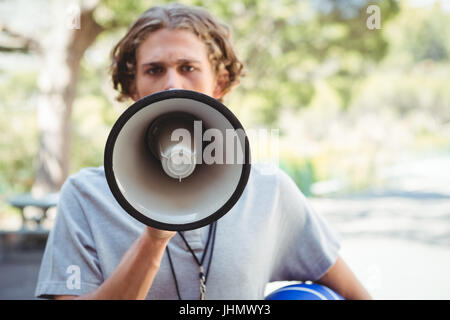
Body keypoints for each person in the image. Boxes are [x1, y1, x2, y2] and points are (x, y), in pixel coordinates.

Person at [35, 3, 371, 300]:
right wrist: (153, 240)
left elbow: (354, 294)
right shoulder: (85, 196)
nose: (172, 84)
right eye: (154, 70)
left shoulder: (268, 191)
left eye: (188, 68)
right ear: (133, 87)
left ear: (220, 83)